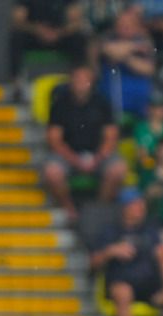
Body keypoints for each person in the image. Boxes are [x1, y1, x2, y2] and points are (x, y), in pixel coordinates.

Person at [90, 189, 163, 316]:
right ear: (124, 207)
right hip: (122, 284)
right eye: (136, 204)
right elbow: (93, 262)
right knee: (123, 292)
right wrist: (111, 251)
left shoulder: (151, 230)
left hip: (151, 288)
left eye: (141, 203)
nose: (141, 207)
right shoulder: (111, 231)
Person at [44, 64, 128, 220]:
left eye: (85, 79)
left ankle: (99, 209)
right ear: (70, 81)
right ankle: (68, 209)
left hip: (98, 154)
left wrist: (98, 158)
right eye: (77, 79)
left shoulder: (102, 102)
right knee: (52, 172)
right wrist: (75, 160)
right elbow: (54, 139)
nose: (81, 83)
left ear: (92, 81)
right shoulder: (60, 103)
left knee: (118, 168)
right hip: (68, 155)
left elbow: (111, 136)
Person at [9, 0, 86, 93]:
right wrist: (37, 30)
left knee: (79, 38)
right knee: (16, 37)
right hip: (35, 36)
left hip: (60, 35)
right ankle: (17, 84)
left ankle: (79, 81)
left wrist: (59, 32)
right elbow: (17, 20)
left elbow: (77, 21)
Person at [99, 9, 157, 118]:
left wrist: (124, 56)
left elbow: (148, 69)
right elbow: (110, 52)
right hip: (113, 104)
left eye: (128, 25)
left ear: (137, 26)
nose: (124, 27)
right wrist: (134, 48)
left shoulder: (145, 40)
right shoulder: (108, 38)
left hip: (140, 104)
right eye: (121, 24)